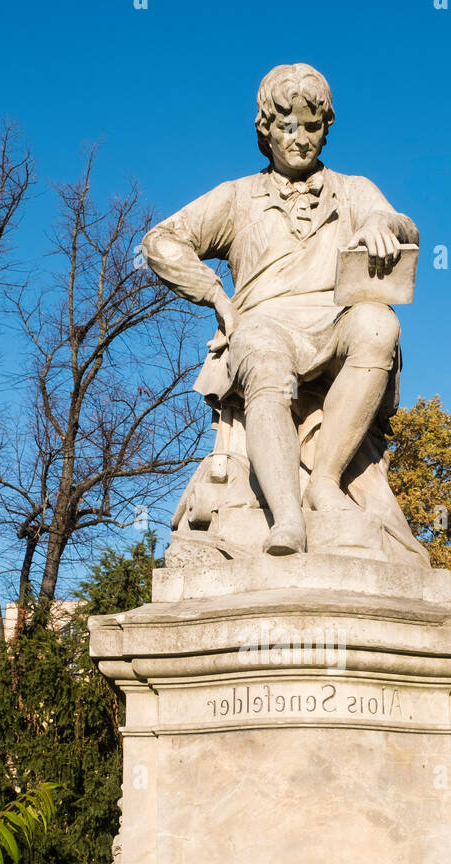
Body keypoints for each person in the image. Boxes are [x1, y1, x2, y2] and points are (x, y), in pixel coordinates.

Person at [141, 63, 419, 557]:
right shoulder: (236, 197)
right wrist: (217, 298)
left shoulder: (353, 189)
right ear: (266, 130)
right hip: (265, 326)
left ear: (325, 129)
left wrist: (382, 223)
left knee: (379, 323)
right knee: (264, 357)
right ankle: (286, 517)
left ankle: (325, 482)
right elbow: (161, 241)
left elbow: (402, 225)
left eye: (312, 127)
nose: (300, 139)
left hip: (335, 322)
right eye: (288, 126)